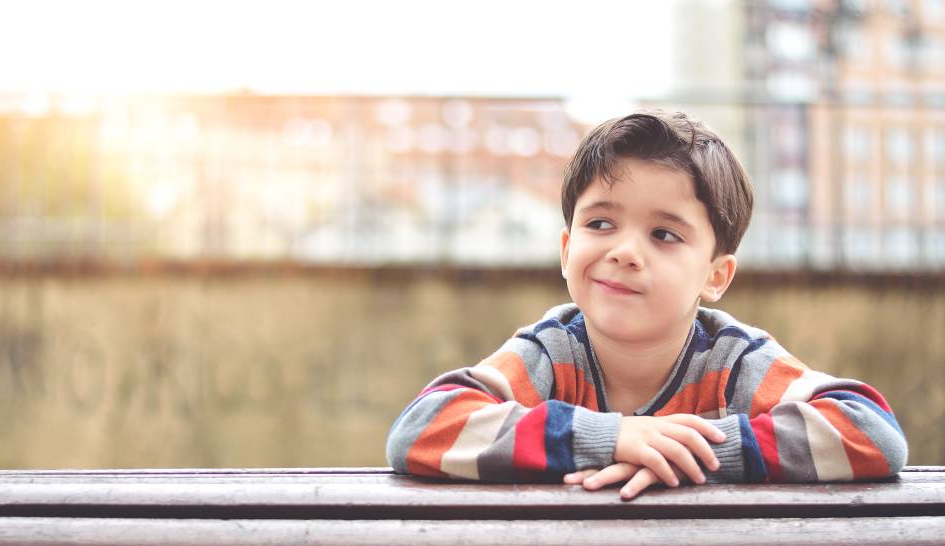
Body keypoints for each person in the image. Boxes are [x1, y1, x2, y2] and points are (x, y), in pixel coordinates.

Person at [386, 110, 907, 499]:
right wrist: (610, 437)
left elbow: (871, 432)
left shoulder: (733, 360)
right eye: (600, 223)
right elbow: (423, 427)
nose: (625, 252)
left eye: (664, 234)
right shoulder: (551, 351)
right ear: (567, 252)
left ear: (715, 276)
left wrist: (693, 452)